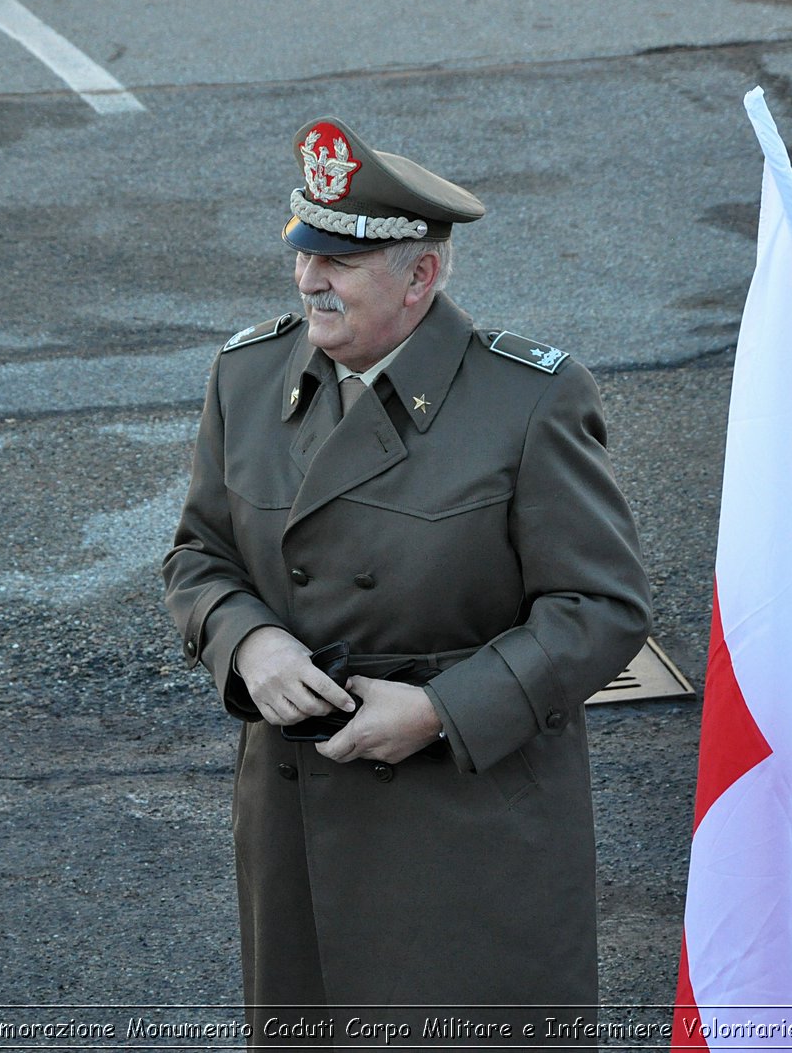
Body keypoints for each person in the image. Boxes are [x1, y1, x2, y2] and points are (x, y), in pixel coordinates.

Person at [163, 117, 651, 1042]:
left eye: (340, 262)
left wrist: (438, 712)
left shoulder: (530, 400)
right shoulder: (249, 375)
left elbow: (602, 606)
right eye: (305, 252)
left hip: (467, 823)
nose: (309, 279)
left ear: (420, 277)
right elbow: (199, 553)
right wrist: (248, 639)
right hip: (297, 812)